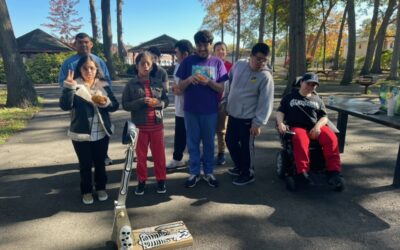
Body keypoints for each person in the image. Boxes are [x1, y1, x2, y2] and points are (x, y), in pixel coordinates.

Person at [59, 55, 119, 204]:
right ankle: (86, 191)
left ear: (96, 69)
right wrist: (68, 87)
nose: (89, 71)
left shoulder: (103, 85)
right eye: (85, 68)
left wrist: (105, 102)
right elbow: (65, 105)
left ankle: (101, 188)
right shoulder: (74, 85)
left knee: (100, 163)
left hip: (101, 131)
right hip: (81, 133)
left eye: (92, 68)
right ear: (80, 69)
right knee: (85, 164)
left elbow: (115, 106)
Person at [176, 30, 228, 188]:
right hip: (190, 110)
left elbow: (221, 89)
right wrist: (189, 80)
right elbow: (178, 88)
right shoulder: (187, 62)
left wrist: (209, 82)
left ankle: (209, 172)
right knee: (192, 143)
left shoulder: (218, 63)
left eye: (205, 44)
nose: (202, 48)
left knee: (209, 143)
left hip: (210, 111)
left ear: (211, 45)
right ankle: (194, 173)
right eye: (199, 45)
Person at [276, 72, 344, 191]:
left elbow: (324, 117)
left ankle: (334, 172)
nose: (310, 87)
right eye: (308, 83)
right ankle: (301, 173)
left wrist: (317, 127)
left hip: (315, 127)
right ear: (301, 82)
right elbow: (280, 111)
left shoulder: (317, 99)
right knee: (300, 139)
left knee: (331, 138)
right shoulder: (290, 97)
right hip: (297, 126)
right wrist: (281, 123)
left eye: (314, 85)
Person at [222, 43, 274, 186]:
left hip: (249, 119)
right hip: (233, 114)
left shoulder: (265, 77)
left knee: (246, 147)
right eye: (258, 59)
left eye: (264, 60)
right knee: (230, 141)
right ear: (250, 56)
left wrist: (257, 123)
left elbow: (266, 102)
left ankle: (248, 173)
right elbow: (228, 83)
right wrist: (225, 101)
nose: (261, 63)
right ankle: (240, 167)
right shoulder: (239, 65)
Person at [59, 32, 114, 166]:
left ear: (91, 44)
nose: (83, 45)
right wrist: (70, 90)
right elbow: (62, 82)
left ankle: (103, 156)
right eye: (80, 42)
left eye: (86, 42)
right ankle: (85, 160)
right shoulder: (68, 63)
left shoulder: (98, 61)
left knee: (101, 128)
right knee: (82, 129)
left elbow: (106, 79)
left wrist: (105, 96)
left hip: (99, 101)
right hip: (79, 102)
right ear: (74, 45)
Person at [122, 52, 169, 195]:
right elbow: (125, 104)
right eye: (143, 63)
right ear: (137, 66)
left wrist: (159, 103)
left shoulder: (157, 82)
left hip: (156, 126)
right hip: (139, 127)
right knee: (141, 157)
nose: (146, 66)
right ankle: (141, 181)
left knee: (159, 156)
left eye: (149, 63)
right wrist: (141, 101)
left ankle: (161, 180)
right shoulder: (131, 84)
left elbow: (166, 101)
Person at [166, 40, 193, 170]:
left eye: (177, 52)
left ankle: (195, 160)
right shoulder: (178, 65)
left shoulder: (194, 66)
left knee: (193, 136)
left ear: (185, 53)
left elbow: (183, 88)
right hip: (179, 108)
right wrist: (175, 88)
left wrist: (177, 89)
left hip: (191, 109)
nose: (175, 55)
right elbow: (176, 86)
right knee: (180, 135)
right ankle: (177, 159)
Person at [213, 41, 233, 166]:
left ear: (226, 52)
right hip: (209, 102)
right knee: (208, 130)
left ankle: (221, 153)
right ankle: (207, 153)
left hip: (223, 102)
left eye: (223, 49)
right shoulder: (209, 65)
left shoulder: (231, 66)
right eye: (218, 49)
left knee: (221, 130)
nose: (220, 51)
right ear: (214, 52)